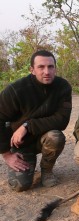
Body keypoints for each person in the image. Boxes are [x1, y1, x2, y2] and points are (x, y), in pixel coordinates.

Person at [0, 50, 72, 192]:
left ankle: (47, 170)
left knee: (56, 137)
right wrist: (6, 154)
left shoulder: (63, 87)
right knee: (20, 186)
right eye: (41, 67)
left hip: (45, 138)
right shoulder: (15, 90)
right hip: (21, 144)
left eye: (51, 67)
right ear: (32, 70)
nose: (47, 71)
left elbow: (62, 120)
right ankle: (28, 164)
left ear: (55, 68)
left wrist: (27, 125)